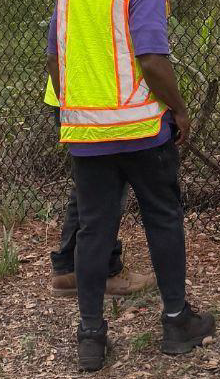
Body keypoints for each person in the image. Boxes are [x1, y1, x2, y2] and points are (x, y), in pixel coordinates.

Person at [46, 0, 216, 372]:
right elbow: (151, 58)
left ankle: (92, 337)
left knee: (95, 230)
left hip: (86, 136)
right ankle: (176, 322)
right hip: (142, 132)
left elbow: (55, 63)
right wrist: (179, 110)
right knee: (163, 218)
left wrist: (75, 111)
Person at [44, 73, 151, 295]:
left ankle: (70, 269)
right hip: (97, 95)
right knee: (109, 184)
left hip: (74, 92)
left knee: (89, 185)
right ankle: (105, 271)